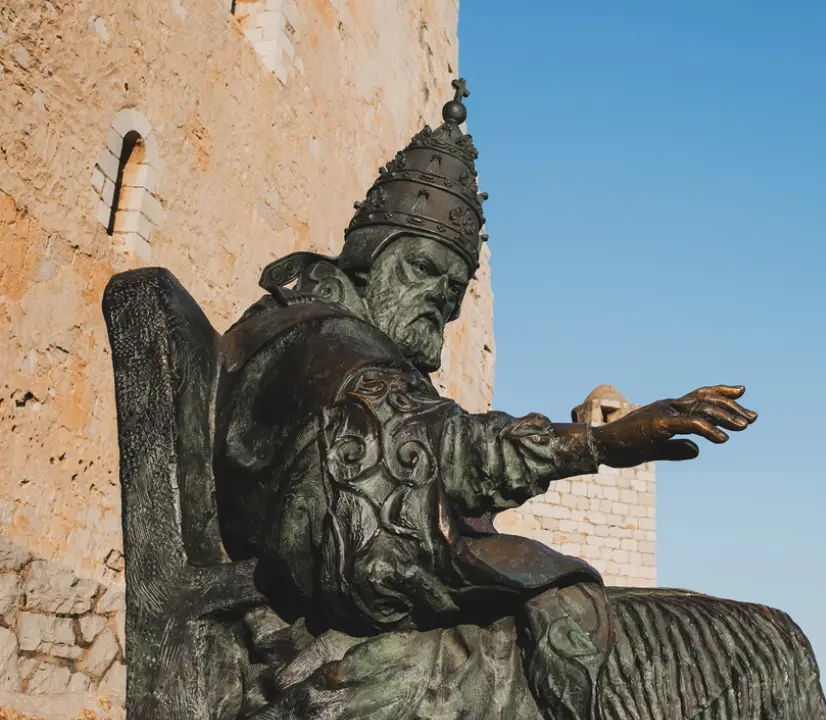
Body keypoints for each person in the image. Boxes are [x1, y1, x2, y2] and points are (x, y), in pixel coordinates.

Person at [212, 79, 756, 720]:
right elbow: (425, 459)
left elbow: (431, 443)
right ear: (367, 261)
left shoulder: (337, 345)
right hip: (309, 648)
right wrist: (601, 443)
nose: (439, 300)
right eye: (422, 270)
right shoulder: (323, 346)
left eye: (455, 288)